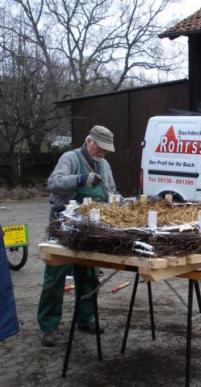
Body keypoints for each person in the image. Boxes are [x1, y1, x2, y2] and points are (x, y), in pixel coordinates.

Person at [37, 125, 117, 347]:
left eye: (106, 150)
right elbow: (53, 183)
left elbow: (111, 190)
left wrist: (118, 202)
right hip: (64, 225)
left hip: (92, 227)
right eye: (100, 148)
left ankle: (86, 318)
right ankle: (49, 326)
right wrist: (80, 179)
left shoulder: (104, 164)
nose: (103, 153)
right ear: (88, 141)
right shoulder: (70, 158)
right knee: (56, 273)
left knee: (89, 274)